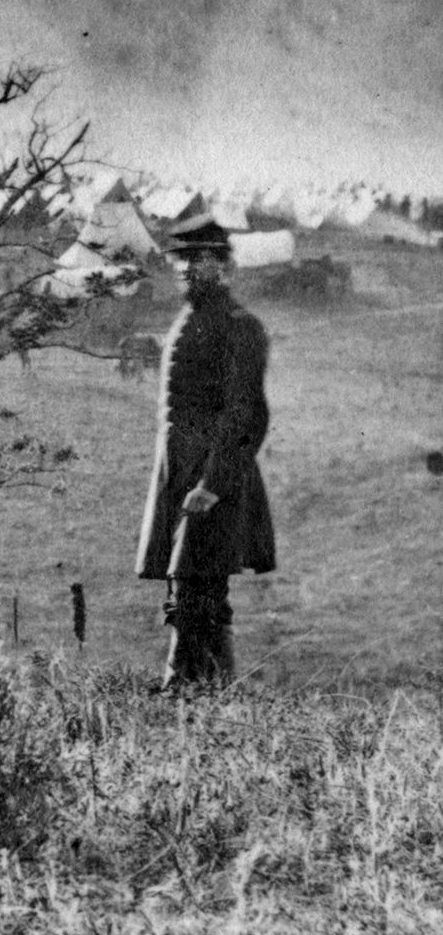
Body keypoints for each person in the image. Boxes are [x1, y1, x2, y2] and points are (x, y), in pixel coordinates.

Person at [134, 214, 274, 689]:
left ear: (223, 266)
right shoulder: (189, 320)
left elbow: (246, 415)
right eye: (181, 259)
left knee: (201, 583)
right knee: (190, 583)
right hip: (180, 472)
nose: (185, 269)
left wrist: (212, 486)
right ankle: (200, 688)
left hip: (215, 478)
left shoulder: (241, 327)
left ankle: (191, 688)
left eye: (197, 259)